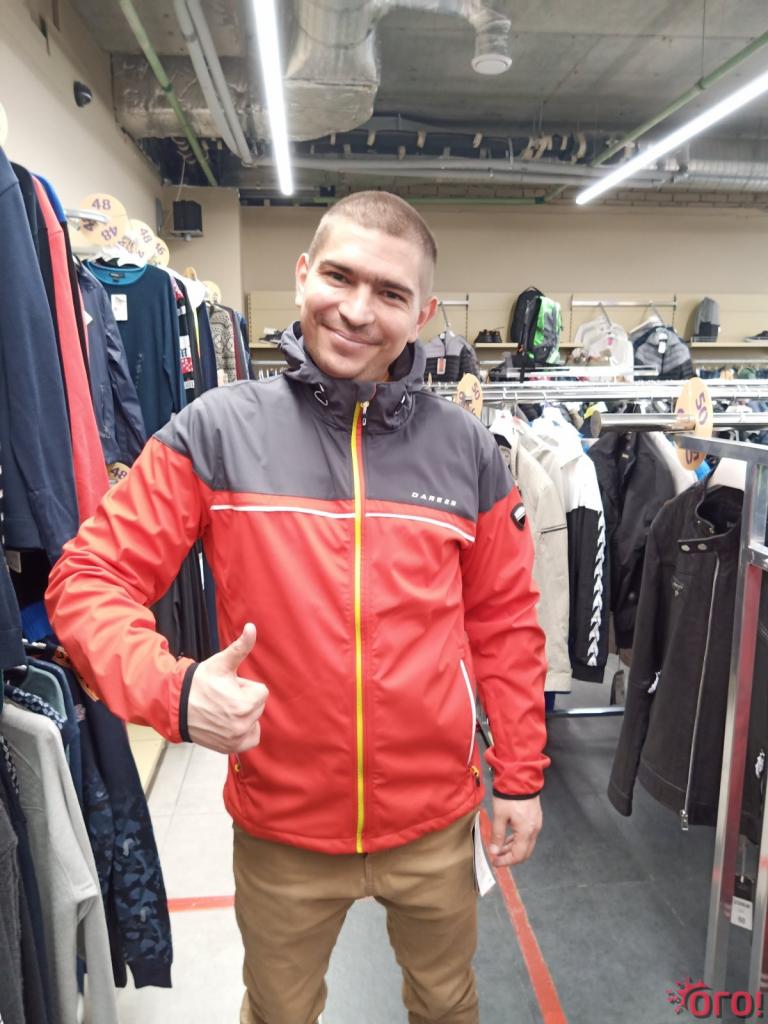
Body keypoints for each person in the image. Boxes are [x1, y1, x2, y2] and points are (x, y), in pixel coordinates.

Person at [46, 191, 549, 1024]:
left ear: (422, 314)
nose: (357, 310)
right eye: (340, 277)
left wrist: (521, 776)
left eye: (390, 293)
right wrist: (173, 690)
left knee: (448, 1003)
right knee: (279, 1012)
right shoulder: (216, 432)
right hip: (282, 830)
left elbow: (504, 622)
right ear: (303, 274)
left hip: (435, 825)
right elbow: (87, 578)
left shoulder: (465, 450)